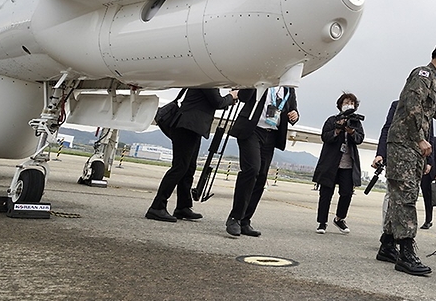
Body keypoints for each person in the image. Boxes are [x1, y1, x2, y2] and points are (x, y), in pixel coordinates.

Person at [377, 42, 436, 276]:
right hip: (406, 142)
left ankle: (387, 244)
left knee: (399, 195)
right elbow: (413, 107)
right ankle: (406, 253)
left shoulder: (432, 80)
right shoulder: (422, 75)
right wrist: (420, 138)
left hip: (410, 144)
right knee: (406, 195)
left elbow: (433, 109)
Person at [146, 88, 238, 222]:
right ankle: (157, 207)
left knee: (188, 168)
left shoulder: (207, 78)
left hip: (192, 128)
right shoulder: (209, 79)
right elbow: (218, 102)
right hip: (187, 127)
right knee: (180, 167)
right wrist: (231, 96)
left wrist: (228, 99)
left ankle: (183, 206)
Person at [225, 86, 299, 238]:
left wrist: (295, 115)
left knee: (261, 176)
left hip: (271, 134)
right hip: (252, 130)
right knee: (252, 169)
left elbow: (293, 109)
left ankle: (245, 220)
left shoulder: (288, 89)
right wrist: (258, 82)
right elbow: (243, 96)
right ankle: (235, 217)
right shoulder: (262, 78)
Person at [312, 93, 364, 234]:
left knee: (346, 193)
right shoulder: (332, 120)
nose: (349, 105)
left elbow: (360, 139)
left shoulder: (356, 122)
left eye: (352, 103)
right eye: (347, 102)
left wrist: (352, 132)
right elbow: (325, 137)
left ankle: (340, 218)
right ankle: (322, 222)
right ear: (340, 104)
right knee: (326, 193)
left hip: (347, 164)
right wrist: (337, 129)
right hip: (330, 163)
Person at [420, 132, 436, 229]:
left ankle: (428, 220)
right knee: (424, 196)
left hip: (430, 173)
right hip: (420, 171)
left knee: (428, 198)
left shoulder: (435, 140)